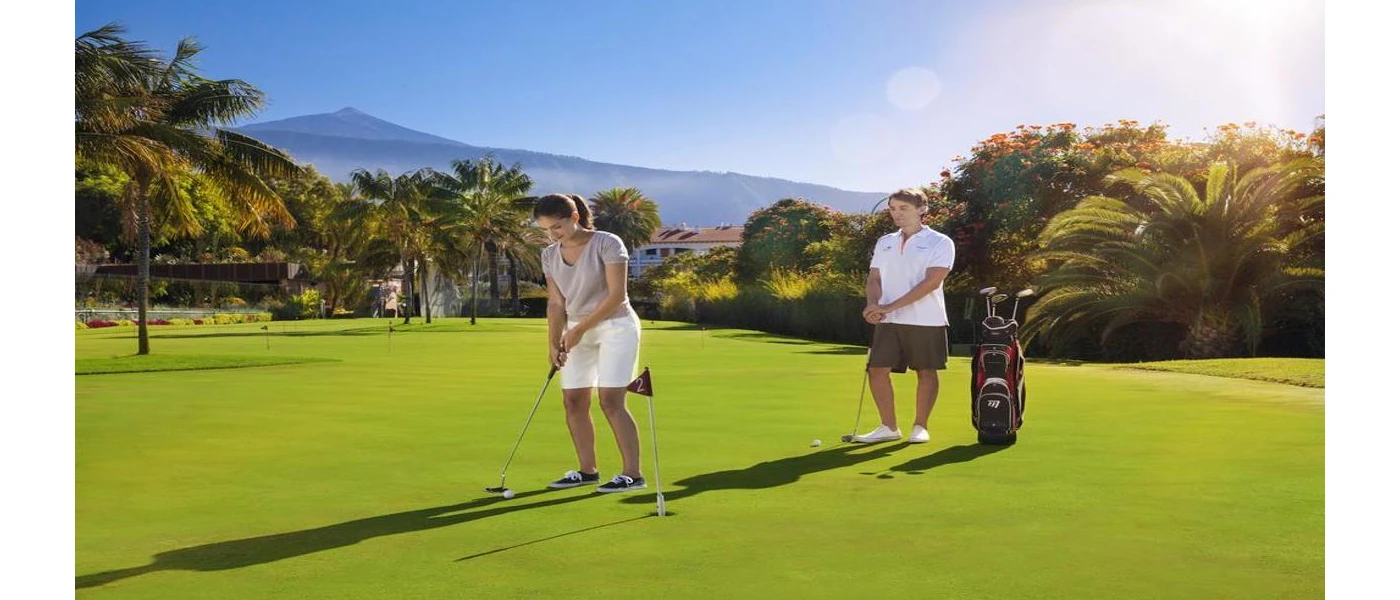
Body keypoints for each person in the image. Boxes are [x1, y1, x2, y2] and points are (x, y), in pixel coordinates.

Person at [534, 193, 648, 493]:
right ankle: (587, 471)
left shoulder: (607, 243)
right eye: (546, 230)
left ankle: (632, 475)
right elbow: (557, 303)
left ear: (574, 217)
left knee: (610, 400)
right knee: (573, 401)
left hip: (616, 326)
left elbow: (616, 297)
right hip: (576, 330)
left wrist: (579, 329)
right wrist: (553, 343)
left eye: (556, 227)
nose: (552, 235)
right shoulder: (549, 254)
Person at [853, 188, 956, 444]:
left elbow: (932, 282)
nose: (896, 214)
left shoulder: (940, 242)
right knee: (876, 370)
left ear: (922, 210)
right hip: (889, 321)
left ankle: (920, 426)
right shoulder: (884, 241)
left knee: (926, 371)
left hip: (926, 319)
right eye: (892, 208)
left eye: (903, 208)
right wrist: (873, 304)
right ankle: (888, 427)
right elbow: (874, 277)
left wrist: (889, 307)